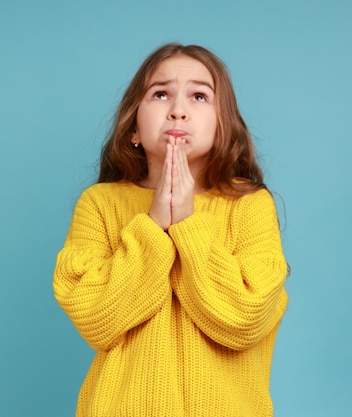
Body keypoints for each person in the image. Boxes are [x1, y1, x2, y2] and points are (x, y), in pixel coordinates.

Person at [53, 42, 289, 417]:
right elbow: (95, 316)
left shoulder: (250, 206)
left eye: (199, 96)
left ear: (222, 126)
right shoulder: (99, 204)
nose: (178, 110)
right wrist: (153, 225)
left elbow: (245, 318)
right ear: (133, 127)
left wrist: (188, 224)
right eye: (160, 94)